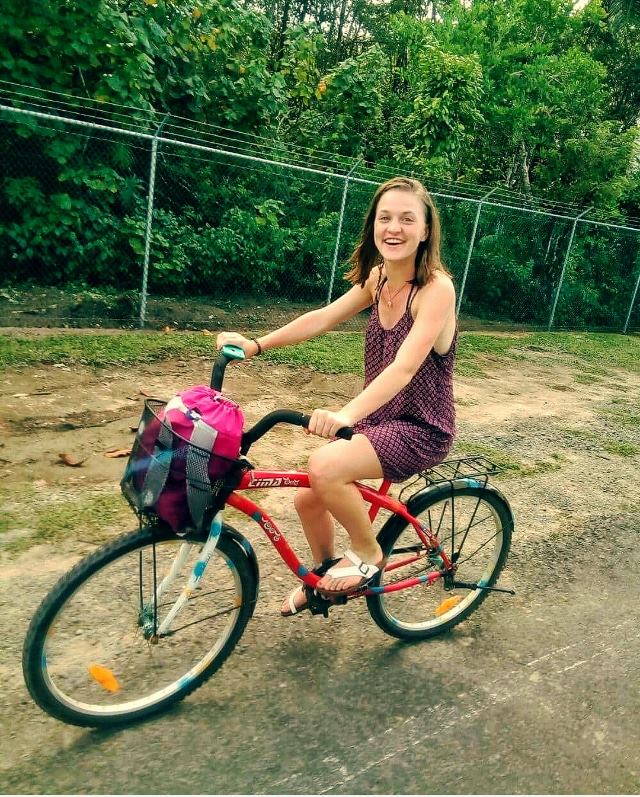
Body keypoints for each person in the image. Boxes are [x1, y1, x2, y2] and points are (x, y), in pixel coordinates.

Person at [216, 176, 457, 617]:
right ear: (373, 225)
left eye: (407, 219)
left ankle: (368, 552)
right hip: (380, 419)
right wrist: (255, 345)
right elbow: (323, 317)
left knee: (325, 467)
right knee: (308, 498)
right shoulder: (379, 278)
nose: (394, 228)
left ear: (426, 230)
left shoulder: (435, 289)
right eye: (385, 218)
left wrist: (345, 412)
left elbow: (404, 367)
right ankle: (325, 578)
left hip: (421, 426)